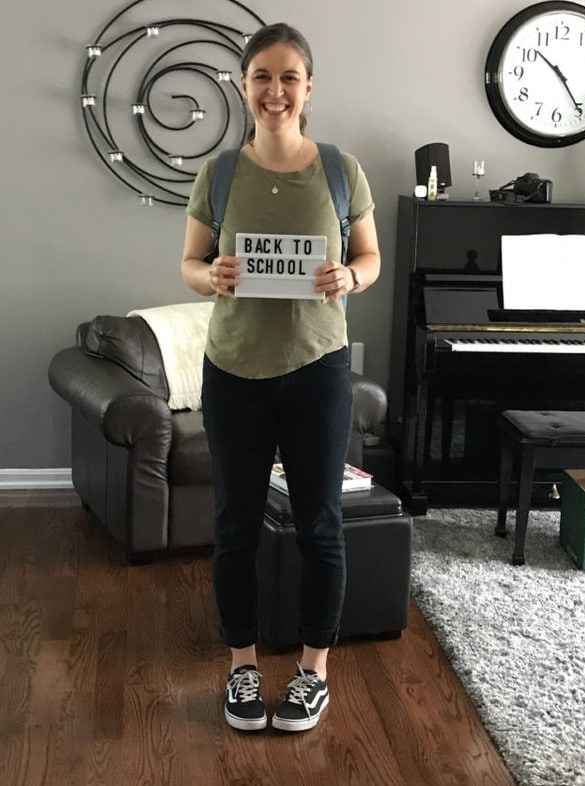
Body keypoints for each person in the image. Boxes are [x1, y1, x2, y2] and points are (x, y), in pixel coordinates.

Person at [181, 22, 380, 733]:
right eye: (262, 76)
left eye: (289, 76)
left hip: (320, 371)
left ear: (308, 87)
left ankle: (312, 672)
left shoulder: (340, 169)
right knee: (234, 526)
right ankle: (241, 666)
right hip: (234, 371)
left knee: (322, 526)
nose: (275, 90)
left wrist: (349, 275)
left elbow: (370, 258)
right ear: (244, 84)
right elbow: (190, 264)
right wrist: (215, 276)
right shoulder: (221, 173)